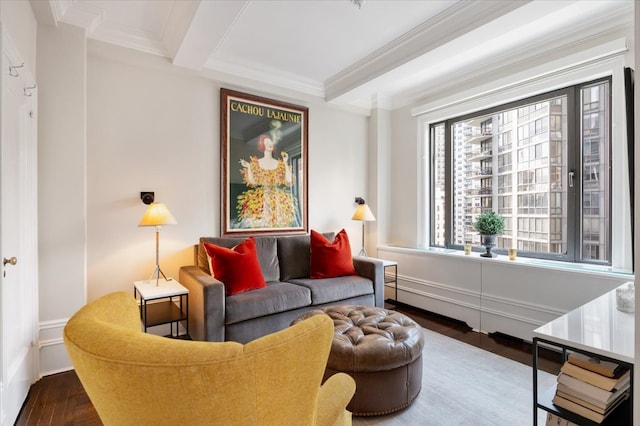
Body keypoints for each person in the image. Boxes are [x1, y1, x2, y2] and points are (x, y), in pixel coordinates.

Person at [236, 121, 299, 228]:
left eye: (270, 142)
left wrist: (285, 163)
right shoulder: (256, 163)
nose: (269, 144)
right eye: (266, 142)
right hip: (261, 199)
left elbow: (289, 181)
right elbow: (253, 182)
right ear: (262, 145)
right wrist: (249, 167)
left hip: (278, 200)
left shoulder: (280, 163)